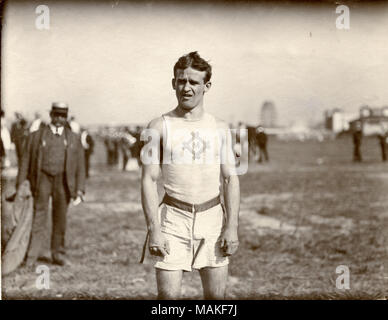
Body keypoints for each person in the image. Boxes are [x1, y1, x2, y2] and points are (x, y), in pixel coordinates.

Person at [141, 52, 240, 299]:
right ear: (173, 82)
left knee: (216, 301)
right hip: (173, 219)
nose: (186, 88)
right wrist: (154, 228)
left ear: (207, 86)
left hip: (213, 219)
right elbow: (148, 180)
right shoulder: (158, 126)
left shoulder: (220, 127)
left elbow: (230, 178)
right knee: (168, 300)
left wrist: (232, 227)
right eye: (181, 81)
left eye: (194, 82)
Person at [16, 102, 85, 266]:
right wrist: (20, 184)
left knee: (60, 218)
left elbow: (80, 166)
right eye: (56, 115)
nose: (59, 119)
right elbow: (25, 161)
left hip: (63, 182)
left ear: (66, 117)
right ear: (51, 115)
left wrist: (80, 189)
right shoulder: (36, 136)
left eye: (63, 115)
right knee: (38, 216)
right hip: (42, 180)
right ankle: (32, 255)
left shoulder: (74, 138)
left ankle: (58, 254)